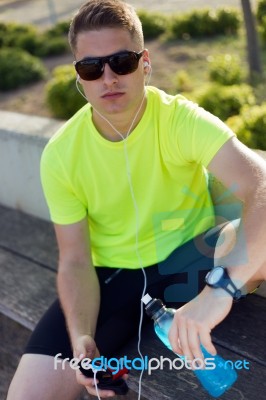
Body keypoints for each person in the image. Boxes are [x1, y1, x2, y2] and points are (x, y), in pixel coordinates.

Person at [7, 0, 266, 399]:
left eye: (121, 61)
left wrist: (220, 291)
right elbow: (74, 259)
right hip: (114, 278)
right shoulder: (61, 154)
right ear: (79, 76)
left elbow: (260, 186)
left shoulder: (180, 119)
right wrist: (81, 338)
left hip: (192, 258)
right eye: (91, 68)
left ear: (145, 62)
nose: (108, 77)